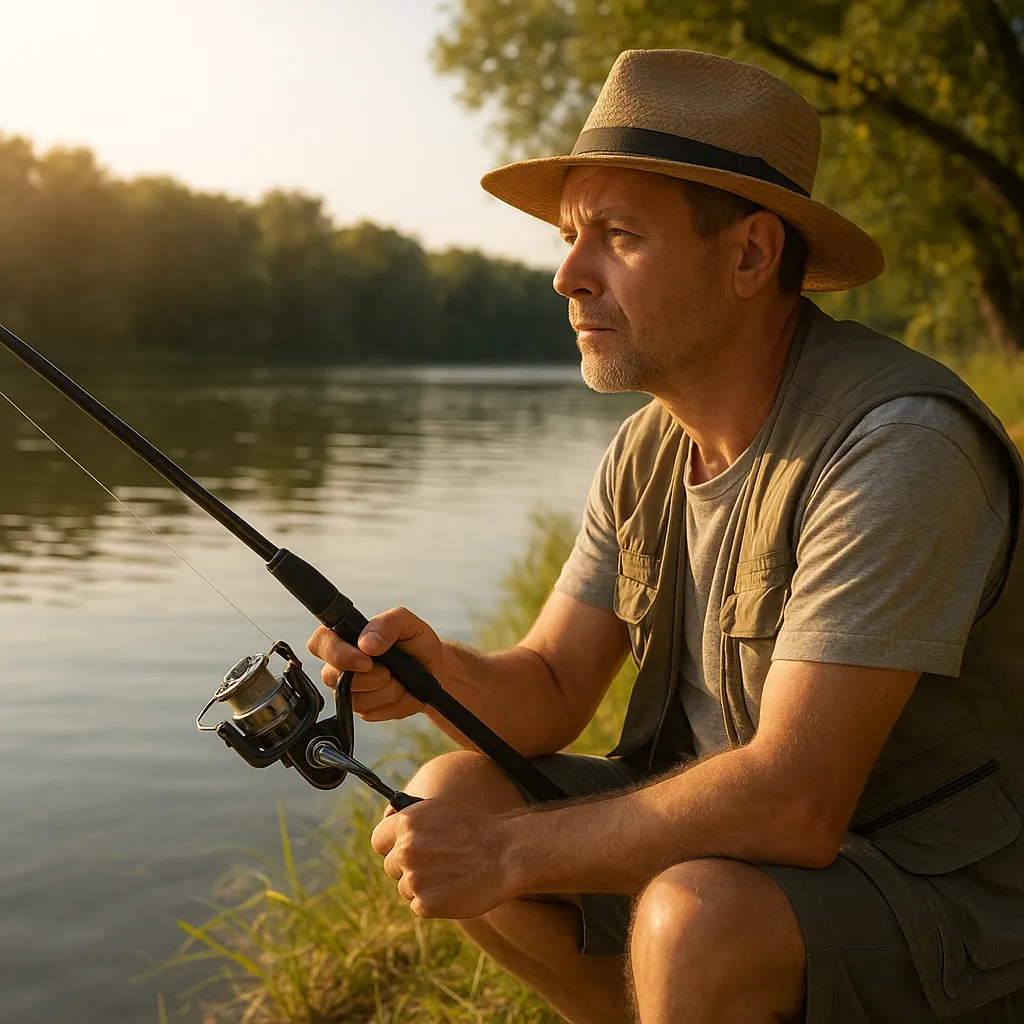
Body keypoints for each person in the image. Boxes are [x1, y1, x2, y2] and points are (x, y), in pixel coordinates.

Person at [307, 49, 1024, 1024]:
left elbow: (793, 801)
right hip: (747, 862)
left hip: (948, 900)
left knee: (691, 918)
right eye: (569, 236)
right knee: (451, 796)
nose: (566, 274)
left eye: (616, 236)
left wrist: (512, 855)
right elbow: (552, 689)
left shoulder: (897, 446)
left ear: (749, 257)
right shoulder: (649, 446)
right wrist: (434, 671)